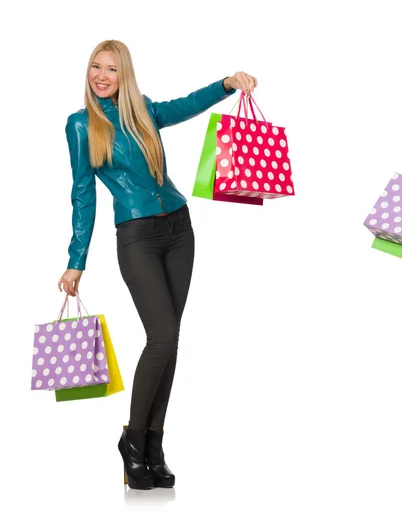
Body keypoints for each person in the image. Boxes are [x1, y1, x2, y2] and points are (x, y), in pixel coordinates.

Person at [56, 39, 257, 490]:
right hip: (137, 237)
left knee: (169, 341)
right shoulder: (80, 125)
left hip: (179, 230)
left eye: (111, 68)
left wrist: (226, 84)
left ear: (123, 74)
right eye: (95, 67)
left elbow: (185, 105)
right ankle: (131, 440)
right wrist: (76, 260)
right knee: (162, 337)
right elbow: (83, 195)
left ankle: (153, 443)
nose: (101, 76)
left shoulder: (142, 110)